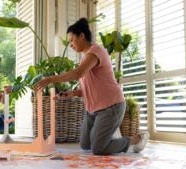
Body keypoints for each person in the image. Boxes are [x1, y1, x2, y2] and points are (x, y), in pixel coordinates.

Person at [33, 18, 149, 155]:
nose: (70, 44)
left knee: (98, 149)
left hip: (111, 106)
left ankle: (136, 139)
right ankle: (108, 134)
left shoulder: (96, 51)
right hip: (92, 111)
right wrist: (73, 93)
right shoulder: (84, 58)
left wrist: (51, 79)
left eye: (71, 40)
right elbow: (89, 87)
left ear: (82, 36)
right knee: (85, 144)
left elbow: (78, 73)